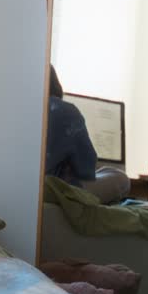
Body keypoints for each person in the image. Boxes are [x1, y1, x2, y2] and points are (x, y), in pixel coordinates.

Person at [45, 65, 129, 203]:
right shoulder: (64, 110)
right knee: (119, 177)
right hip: (53, 191)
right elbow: (86, 170)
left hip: (24, 186)